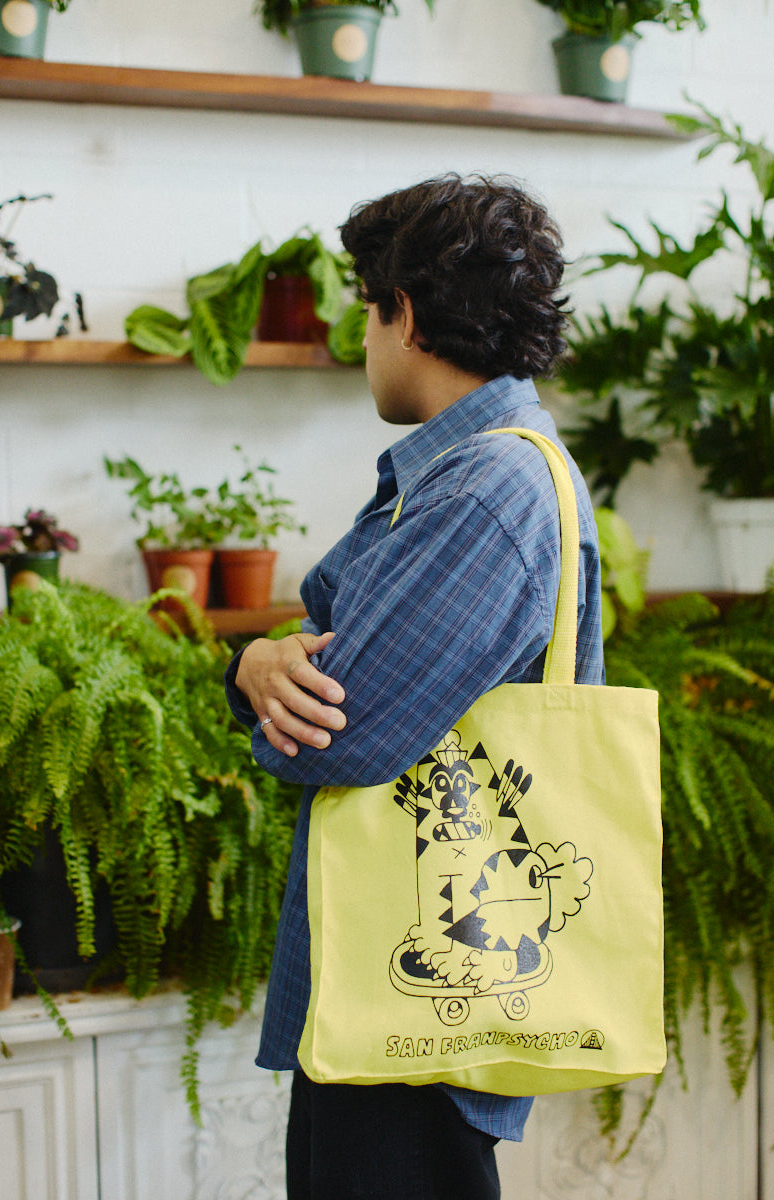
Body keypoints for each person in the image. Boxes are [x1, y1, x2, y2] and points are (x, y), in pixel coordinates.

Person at [224, 173, 604, 1200]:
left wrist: (257, 675)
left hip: (415, 995)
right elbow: (324, 663)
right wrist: (261, 661)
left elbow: (336, 729)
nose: (362, 342)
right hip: (408, 989)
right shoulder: (469, 475)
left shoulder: (485, 489)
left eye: (364, 309)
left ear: (405, 313)